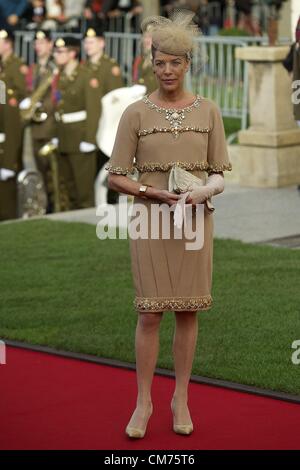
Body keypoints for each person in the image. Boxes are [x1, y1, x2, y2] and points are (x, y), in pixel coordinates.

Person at [106, 10, 232, 438]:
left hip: (194, 218)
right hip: (149, 219)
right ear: (152, 62)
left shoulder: (209, 111)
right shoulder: (135, 113)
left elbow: (219, 172)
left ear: (188, 64)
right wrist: (152, 193)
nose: (167, 70)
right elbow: (116, 175)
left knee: (188, 311)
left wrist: (205, 191)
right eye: (160, 62)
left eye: (175, 62)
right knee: (149, 314)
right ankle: (143, 402)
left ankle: (181, 397)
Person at [53, 36, 98, 210]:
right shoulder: (62, 76)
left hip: (80, 137)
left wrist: (90, 139)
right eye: (56, 52)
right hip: (65, 136)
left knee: (83, 191)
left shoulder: (86, 76)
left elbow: (94, 109)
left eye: (60, 52)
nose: (56, 55)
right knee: (69, 188)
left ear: (72, 53)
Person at [83, 25, 124, 203]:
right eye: (86, 42)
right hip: (89, 125)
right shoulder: (84, 67)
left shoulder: (109, 68)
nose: (87, 45)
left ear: (102, 43)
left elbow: (116, 102)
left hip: (106, 127)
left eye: (92, 42)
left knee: (106, 169)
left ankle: (110, 203)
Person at [21, 30, 56, 212]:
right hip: (35, 127)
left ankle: (56, 206)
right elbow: (28, 90)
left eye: (42, 42)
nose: (38, 46)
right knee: (40, 171)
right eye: (36, 42)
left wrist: (42, 105)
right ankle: (47, 206)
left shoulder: (55, 67)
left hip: (50, 126)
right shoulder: (33, 69)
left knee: (53, 172)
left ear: (50, 45)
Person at [0, 28, 27, 221]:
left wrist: (9, 164)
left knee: (6, 208)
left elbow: (11, 128)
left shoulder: (4, 92)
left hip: (3, 154)